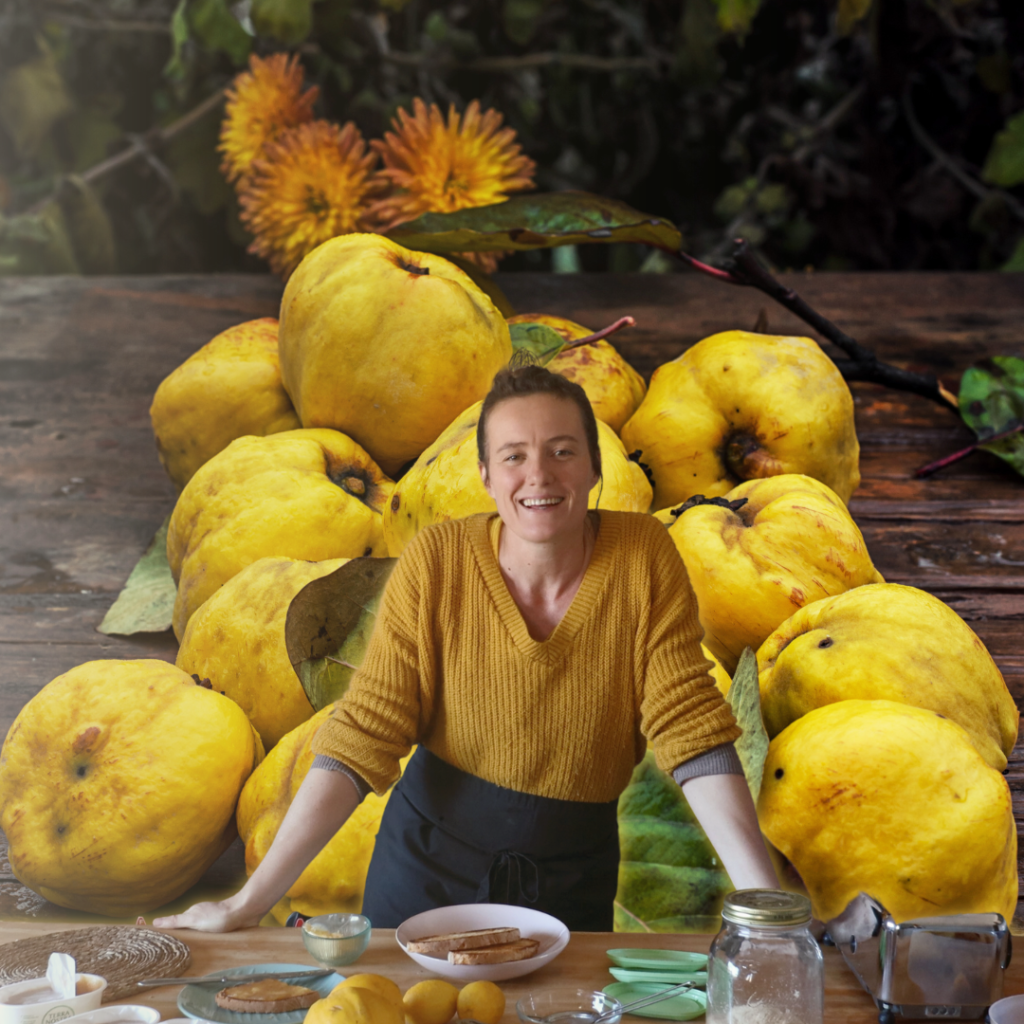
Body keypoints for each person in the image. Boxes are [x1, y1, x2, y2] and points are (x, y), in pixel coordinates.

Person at [155, 364, 777, 933]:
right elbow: (365, 732)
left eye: (562, 451)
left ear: (594, 468)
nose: (539, 475)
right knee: (400, 1004)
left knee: (557, 1004)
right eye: (514, 456)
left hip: (570, 878)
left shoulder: (642, 559)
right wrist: (247, 903)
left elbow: (691, 727)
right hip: (425, 871)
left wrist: (769, 909)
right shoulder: (439, 562)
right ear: (485, 475)